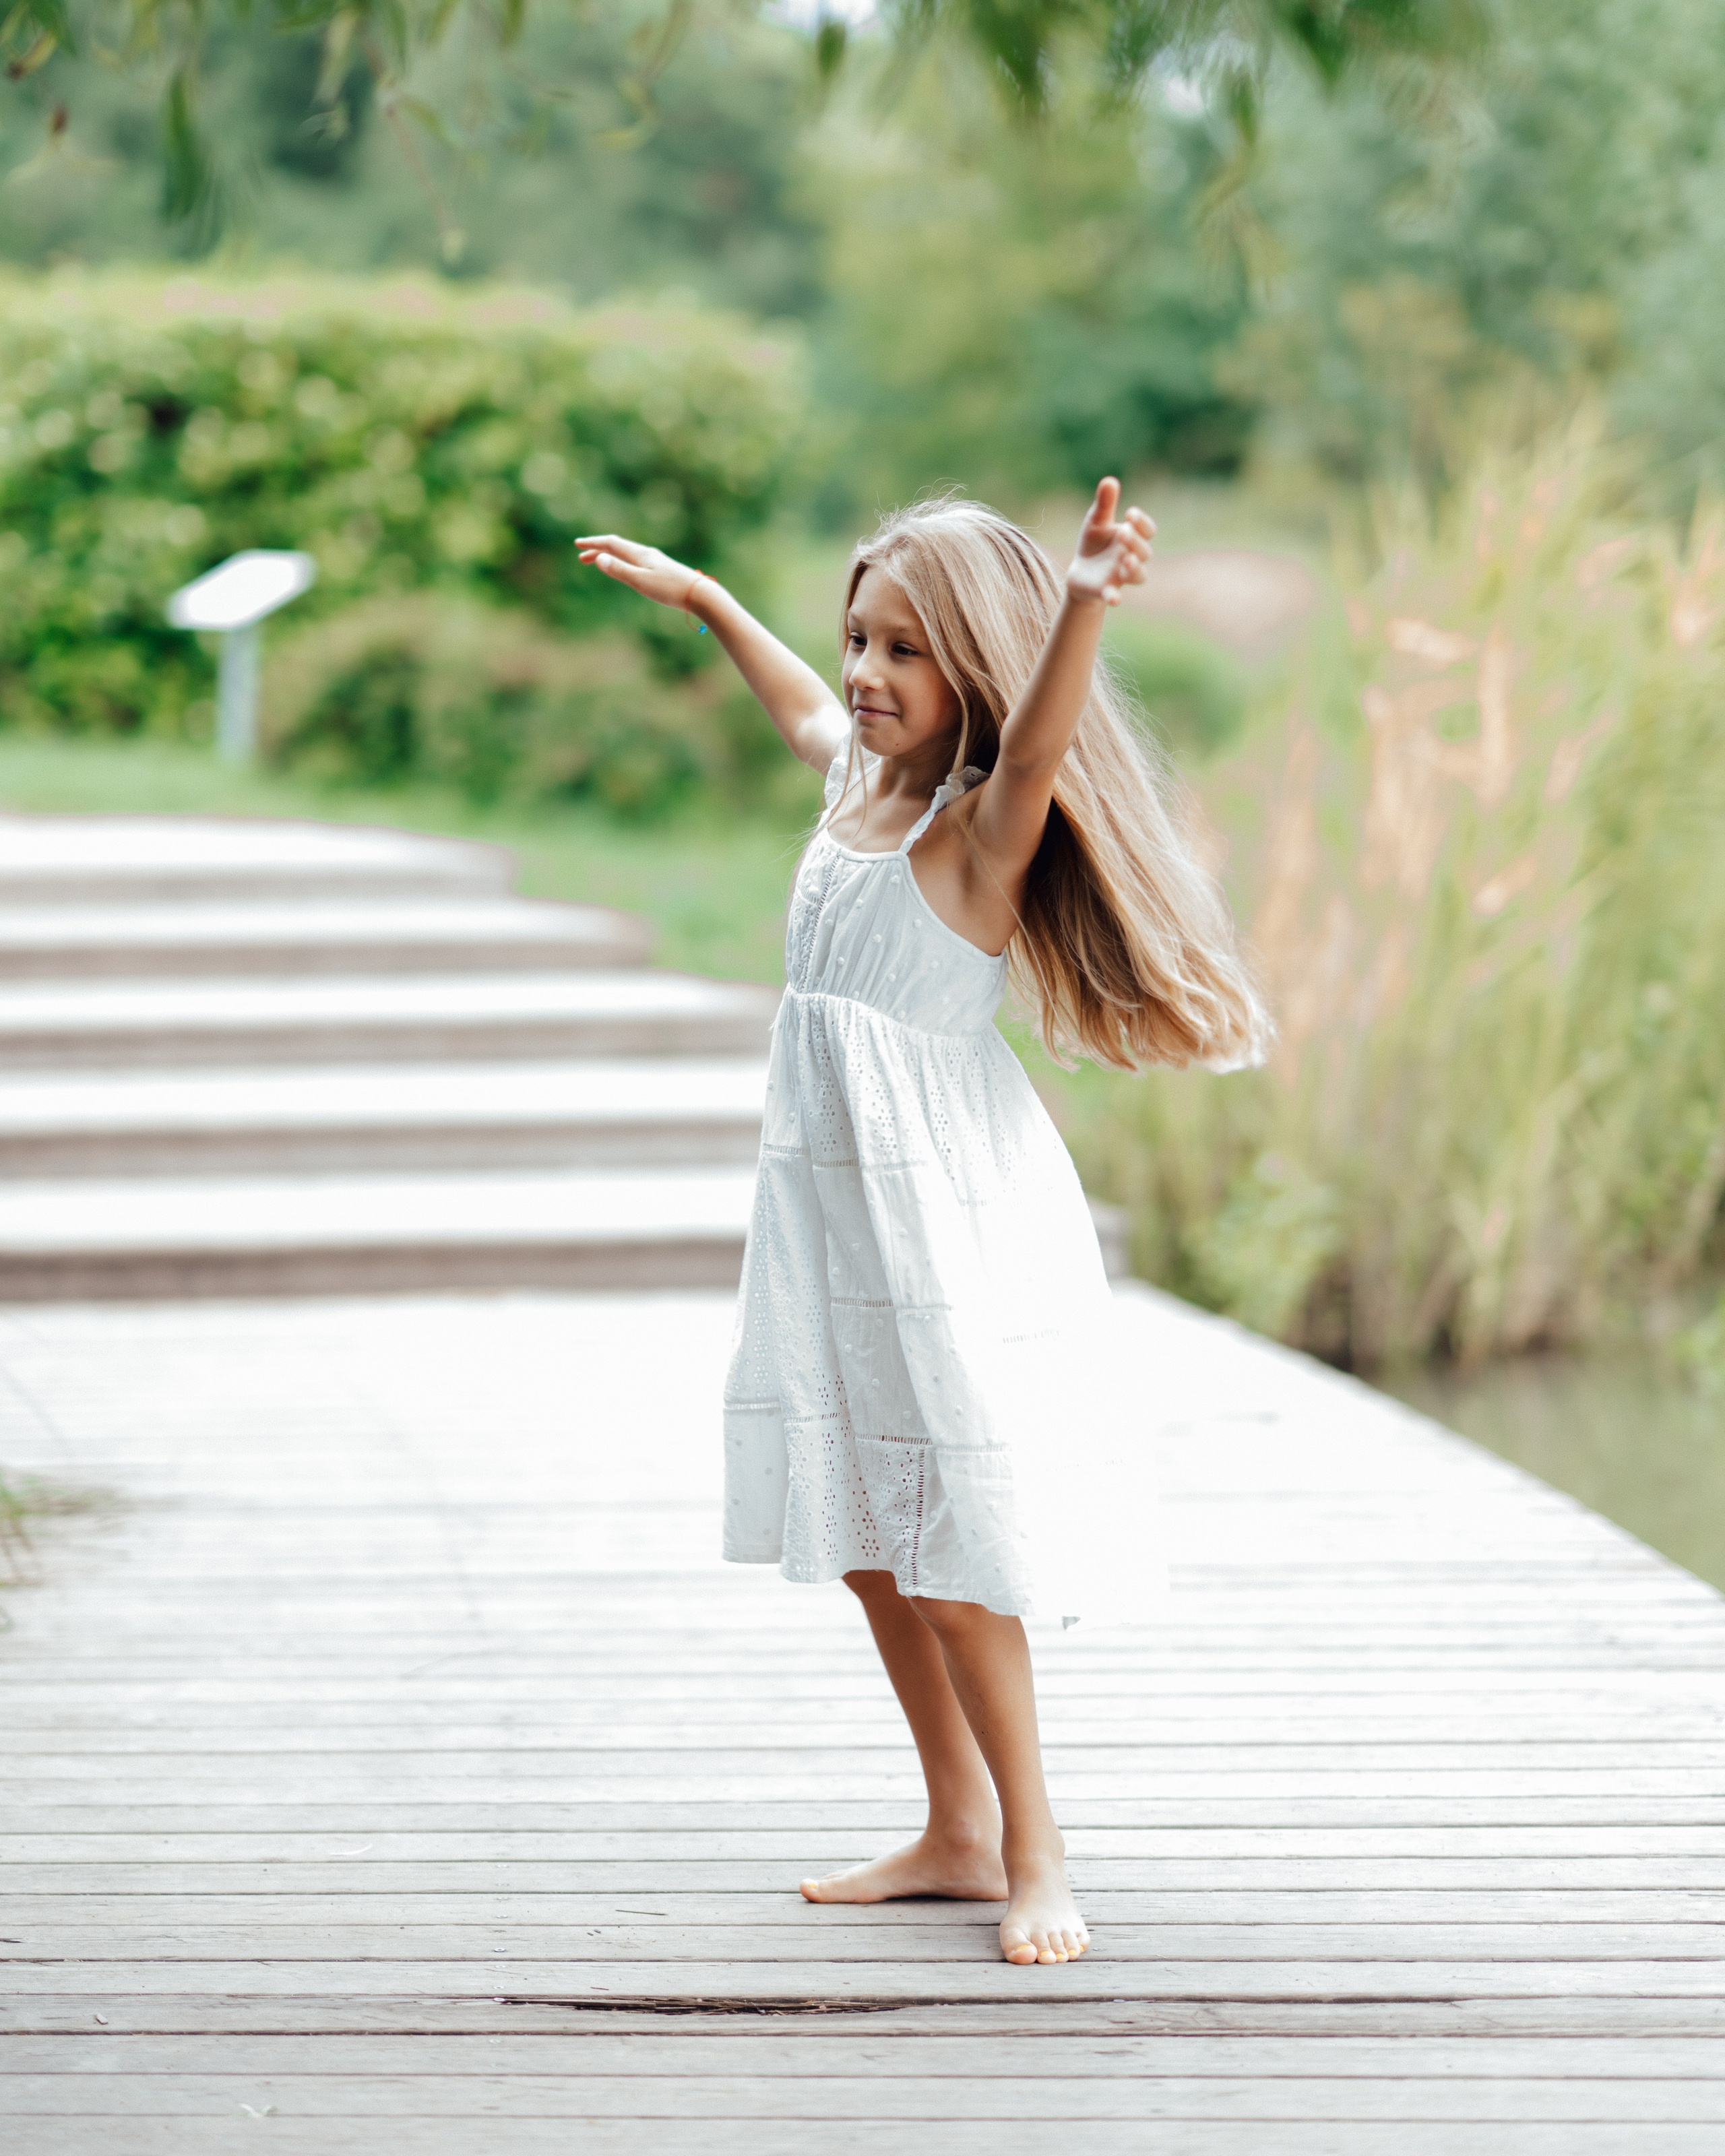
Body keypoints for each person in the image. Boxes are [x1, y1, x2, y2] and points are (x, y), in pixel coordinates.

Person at [577, 483, 1265, 1966]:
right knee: (876, 1539)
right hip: (830, 1219)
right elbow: (794, 710)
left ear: (973, 670)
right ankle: (951, 1828)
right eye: (856, 638)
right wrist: (707, 602)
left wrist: (1081, 594)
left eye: (906, 650)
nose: (863, 673)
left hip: (944, 1225)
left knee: (951, 1551)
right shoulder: (852, 795)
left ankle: (1036, 1849)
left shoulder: (977, 836)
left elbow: (1037, 742)